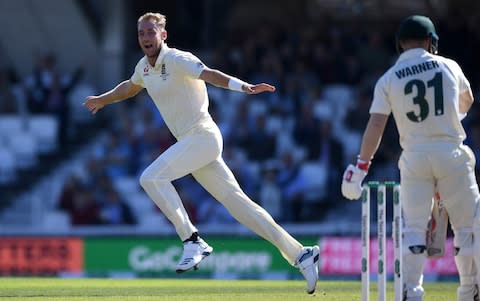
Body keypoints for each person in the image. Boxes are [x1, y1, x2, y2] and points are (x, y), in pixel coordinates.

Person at [83, 12, 320, 294]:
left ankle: (192, 240)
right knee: (240, 205)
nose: (146, 38)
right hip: (191, 144)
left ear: (163, 35)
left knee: (151, 178)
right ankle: (300, 254)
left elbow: (210, 74)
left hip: (203, 137)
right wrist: (102, 99)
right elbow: (130, 88)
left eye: (150, 32)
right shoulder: (144, 68)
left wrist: (242, 86)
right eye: (141, 34)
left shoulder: (177, 59)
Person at [341, 15, 480, 301]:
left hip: (414, 158)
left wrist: (360, 167)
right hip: (451, 152)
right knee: (468, 229)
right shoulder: (449, 66)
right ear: (431, 41)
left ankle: (411, 292)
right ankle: (469, 291)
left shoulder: (389, 78)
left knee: (414, 229)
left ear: (400, 44)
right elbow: (467, 101)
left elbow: (376, 125)